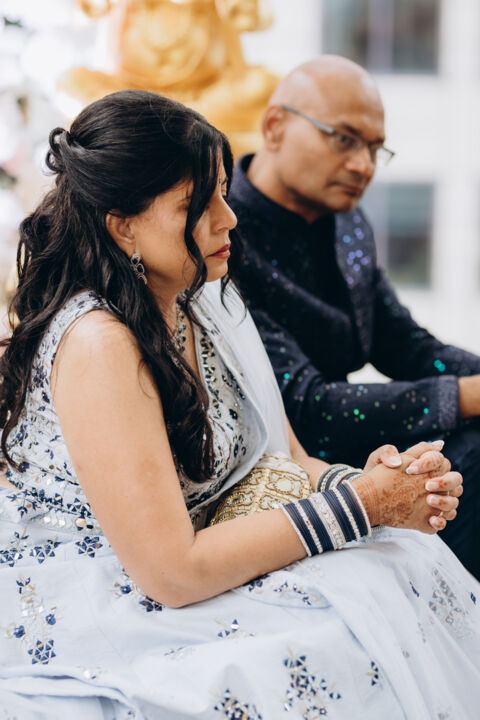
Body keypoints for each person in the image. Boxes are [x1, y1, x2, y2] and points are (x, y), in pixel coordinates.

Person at [0, 90, 477, 719]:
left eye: (224, 193)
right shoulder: (98, 342)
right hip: (106, 590)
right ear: (124, 226)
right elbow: (171, 573)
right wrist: (362, 505)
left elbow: (289, 457)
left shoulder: (203, 295)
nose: (228, 219)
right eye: (197, 205)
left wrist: (387, 488)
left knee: (405, 559)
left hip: (206, 549)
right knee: (326, 641)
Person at [228, 54, 480, 579]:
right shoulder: (220, 232)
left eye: (373, 148)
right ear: (274, 126)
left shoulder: (347, 222)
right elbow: (303, 405)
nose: (363, 165)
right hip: (281, 467)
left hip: (357, 438)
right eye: (344, 139)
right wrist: (467, 396)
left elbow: (406, 344)